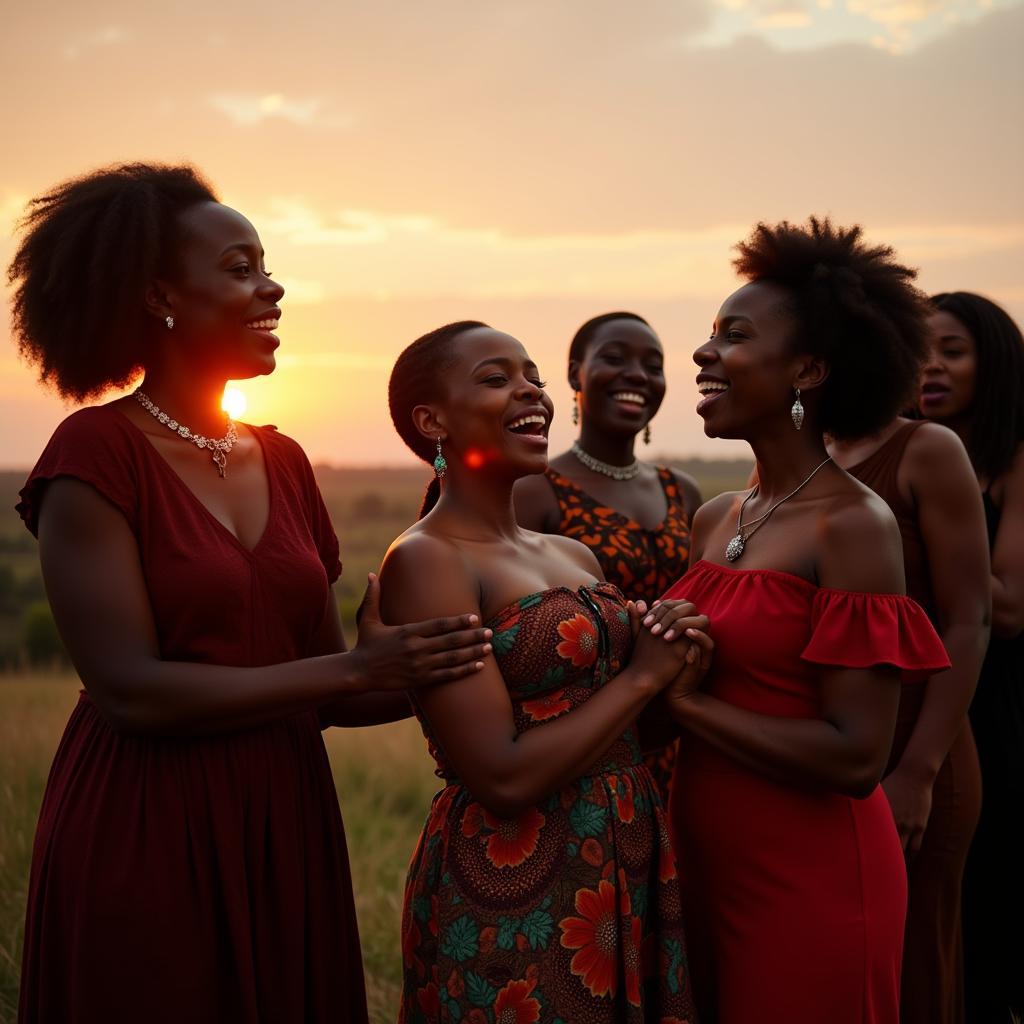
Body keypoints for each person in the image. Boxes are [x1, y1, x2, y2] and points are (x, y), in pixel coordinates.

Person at [8, 163, 492, 1023]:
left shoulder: (285, 459)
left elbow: (329, 684)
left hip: (284, 812)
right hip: (146, 820)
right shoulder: (94, 455)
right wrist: (354, 671)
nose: (272, 287)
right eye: (239, 268)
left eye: (265, 264)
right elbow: (131, 692)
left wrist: (512, 655)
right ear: (160, 295)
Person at [655, 218, 951, 1023]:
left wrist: (683, 704)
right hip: (708, 855)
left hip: (814, 872)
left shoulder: (852, 525)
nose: (703, 354)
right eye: (709, 334)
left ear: (809, 370)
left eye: (734, 337)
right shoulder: (717, 516)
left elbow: (857, 755)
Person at [382, 321, 707, 1022]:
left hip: (628, 848)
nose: (529, 390)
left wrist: (678, 659)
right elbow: (500, 774)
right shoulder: (426, 559)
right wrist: (642, 678)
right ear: (431, 419)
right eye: (496, 378)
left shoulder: (573, 555)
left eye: (530, 375)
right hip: (514, 877)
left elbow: (628, 729)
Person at [828, 413, 988, 1024]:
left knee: (915, 961)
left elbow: (968, 618)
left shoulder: (925, 449)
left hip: (920, 745)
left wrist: (918, 774)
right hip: (836, 751)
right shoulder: (802, 452)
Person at [515, 312, 702, 801]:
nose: (637, 374)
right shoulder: (536, 490)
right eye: (615, 359)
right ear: (576, 372)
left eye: (653, 365)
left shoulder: (682, 490)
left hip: (685, 733)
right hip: (583, 742)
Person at [917, 291, 1024, 1023]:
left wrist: (921, 542)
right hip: (913, 693)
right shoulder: (889, 454)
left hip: (996, 697)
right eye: (917, 351)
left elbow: (1010, 608)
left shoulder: (1012, 461)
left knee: (989, 894)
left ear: (995, 362)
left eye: (951, 351)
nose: (930, 367)